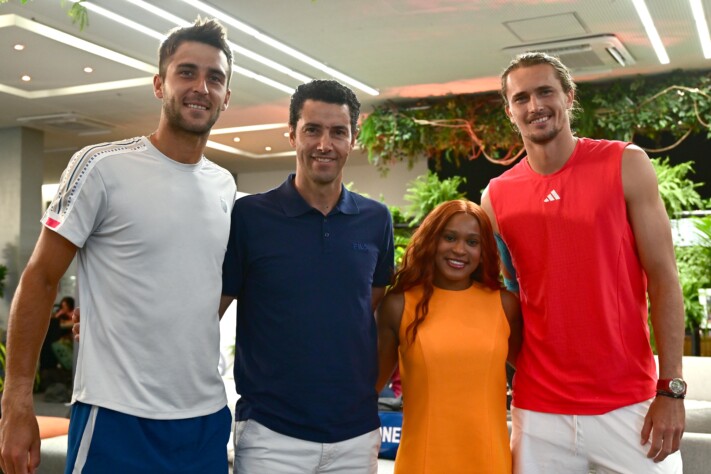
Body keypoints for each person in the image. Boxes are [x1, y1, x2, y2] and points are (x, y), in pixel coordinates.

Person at [0, 18, 236, 474]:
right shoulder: (100, 167)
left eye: (215, 77)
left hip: (204, 419)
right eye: (186, 72)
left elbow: (203, 287)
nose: (201, 87)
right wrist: (16, 402)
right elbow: (41, 277)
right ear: (158, 84)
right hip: (116, 417)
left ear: (226, 95)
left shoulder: (224, 185)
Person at [481, 52, 686, 473]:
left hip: (631, 405)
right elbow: (511, 299)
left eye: (545, 92)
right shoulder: (495, 199)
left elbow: (664, 278)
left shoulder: (626, 164)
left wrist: (671, 390)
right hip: (539, 413)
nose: (534, 106)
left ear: (568, 97)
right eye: (521, 98)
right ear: (510, 110)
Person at [219, 79, 395, 473]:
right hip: (270, 435)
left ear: (353, 138)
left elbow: (370, 301)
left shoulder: (375, 220)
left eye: (338, 132)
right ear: (292, 134)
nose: (324, 144)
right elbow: (209, 309)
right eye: (312, 129)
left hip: (355, 434)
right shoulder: (249, 217)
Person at [376, 199, 522, 473]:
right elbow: (369, 386)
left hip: (489, 459)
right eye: (450, 237)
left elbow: (532, 372)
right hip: (422, 459)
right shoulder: (398, 305)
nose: (459, 250)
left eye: (472, 242)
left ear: (483, 250)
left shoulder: (504, 304)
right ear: (432, 239)